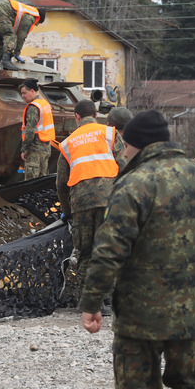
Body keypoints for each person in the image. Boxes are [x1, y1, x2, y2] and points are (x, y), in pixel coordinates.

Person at [79, 109, 195, 389]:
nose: (123, 152)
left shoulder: (133, 185)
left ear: (139, 145)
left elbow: (109, 250)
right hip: (192, 310)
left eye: (125, 145)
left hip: (139, 316)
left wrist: (91, 302)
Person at [56, 99, 124, 282]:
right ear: (95, 115)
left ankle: (88, 300)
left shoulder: (67, 143)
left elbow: (61, 183)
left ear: (77, 117)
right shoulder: (110, 133)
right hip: (109, 201)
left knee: (85, 253)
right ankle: (107, 300)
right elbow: (125, 167)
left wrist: (67, 212)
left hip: (81, 204)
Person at [0, 0, 46, 70]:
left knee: (2, 39)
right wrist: (17, 53)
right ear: (39, 18)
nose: (36, 25)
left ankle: (1, 61)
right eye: (38, 23)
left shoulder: (27, 11)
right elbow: (21, 36)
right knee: (10, 35)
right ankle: (5, 61)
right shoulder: (30, 17)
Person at [18, 79, 56, 180]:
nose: (22, 96)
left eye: (24, 93)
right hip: (45, 148)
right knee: (42, 179)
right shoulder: (44, 103)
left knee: (31, 181)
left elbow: (30, 131)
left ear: (32, 91)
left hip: (35, 149)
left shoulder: (33, 107)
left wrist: (24, 149)